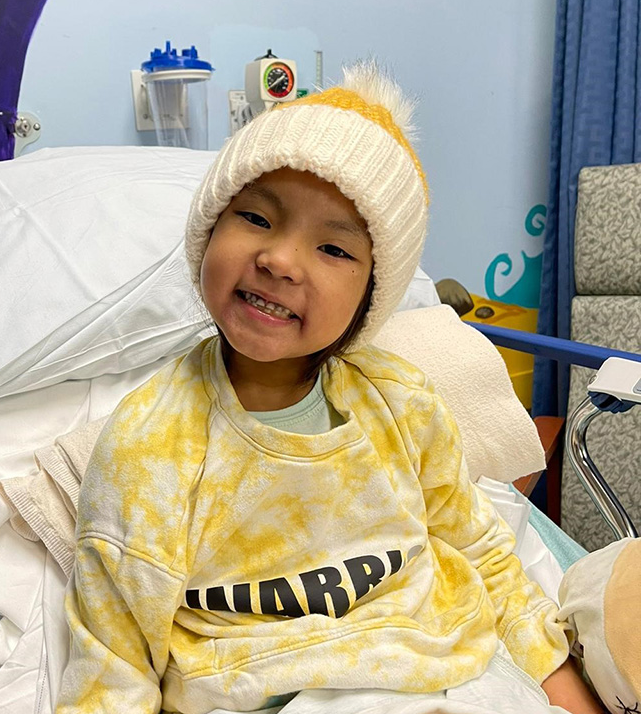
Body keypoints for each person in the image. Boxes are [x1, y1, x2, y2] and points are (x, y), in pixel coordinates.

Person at [56, 61, 604, 714]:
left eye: (335, 250)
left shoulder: (401, 403)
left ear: (372, 297)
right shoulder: (150, 446)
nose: (280, 260)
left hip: (446, 670)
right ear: (208, 231)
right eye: (256, 218)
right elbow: (115, 661)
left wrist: (560, 684)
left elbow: (481, 553)